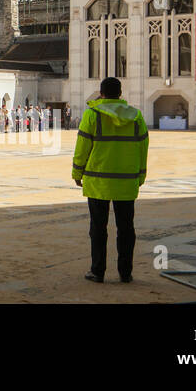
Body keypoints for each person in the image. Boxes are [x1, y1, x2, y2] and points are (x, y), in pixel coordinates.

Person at [72, 77, 149, 284]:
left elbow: (82, 148)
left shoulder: (91, 115)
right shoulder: (136, 117)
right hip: (126, 181)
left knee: (98, 228)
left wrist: (77, 173)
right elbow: (143, 148)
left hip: (98, 182)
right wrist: (140, 175)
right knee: (126, 228)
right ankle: (125, 272)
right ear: (120, 94)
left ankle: (98, 271)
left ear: (102, 93)